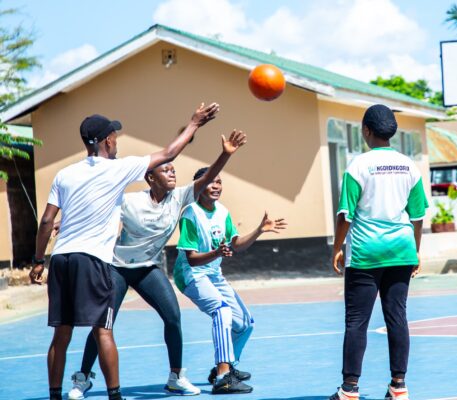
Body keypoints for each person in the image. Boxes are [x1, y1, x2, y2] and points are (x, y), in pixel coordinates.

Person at [29, 103, 219, 400]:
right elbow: (169, 152)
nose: (117, 140)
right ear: (107, 141)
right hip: (95, 260)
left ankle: (55, 394)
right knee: (103, 329)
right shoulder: (118, 169)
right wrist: (194, 123)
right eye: (115, 136)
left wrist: (39, 260)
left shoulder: (64, 174)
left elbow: (46, 221)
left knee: (61, 334)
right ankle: (112, 394)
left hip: (62, 258)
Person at [66, 130, 247, 399]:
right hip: (117, 268)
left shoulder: (180, 197)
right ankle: (82, 378)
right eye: (166, 170)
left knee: (173, 316)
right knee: (103, 323)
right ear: (150, 177)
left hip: (147, 268)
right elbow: (95, 210)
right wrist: (63, 221)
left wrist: (225, 154)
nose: (172, 173)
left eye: (173, 170)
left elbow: (207, 177)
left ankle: (176, 377)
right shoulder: (129, 202)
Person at [329, 104, 428, 400]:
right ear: (392, 131)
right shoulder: (409, 166)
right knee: (397, 317)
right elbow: (418, 216)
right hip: (402, 251)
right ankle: (399, 386)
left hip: (366, 253)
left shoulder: (357, 166)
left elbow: (345, 215)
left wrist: (337, 248)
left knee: (356, 321)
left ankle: (350, 388)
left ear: (366, 130)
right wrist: (416, 251)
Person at [173, 167, 287, 394]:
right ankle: (223, 378)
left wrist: (259, 230)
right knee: (222, 311)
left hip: (213, 274)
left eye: (219, 182)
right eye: (210, 182)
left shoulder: (222, 212)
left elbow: (236, 245)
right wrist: (217, 253)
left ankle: (225, 367)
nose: (216, 186)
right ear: (199, 186)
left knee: (245, 323)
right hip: (191, 275)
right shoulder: (190, 214)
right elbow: (192, 259)